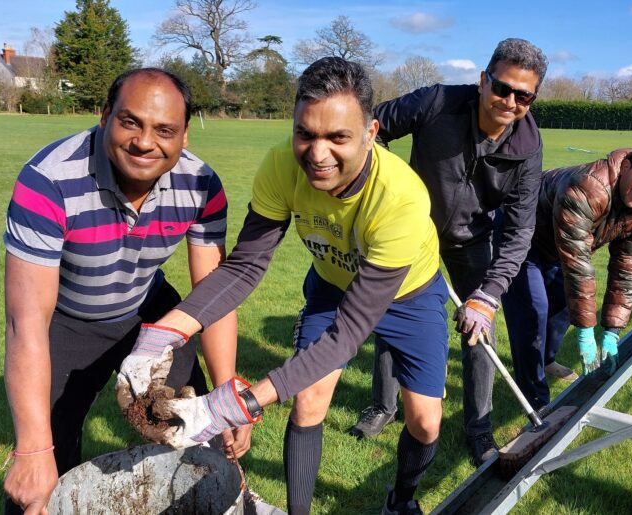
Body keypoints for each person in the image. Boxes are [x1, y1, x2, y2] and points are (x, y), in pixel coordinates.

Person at [116, 57, 449, 515]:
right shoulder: (279, 165)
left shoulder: (402, 198)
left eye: (338, 138)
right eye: (305, 134)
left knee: (425, 421)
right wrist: (161, 336)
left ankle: (403, 498)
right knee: (308, 400)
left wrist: (237, 405)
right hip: (332, 287)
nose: (317, 153)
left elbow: (348, 335)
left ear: (371, 133)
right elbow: (244, 267)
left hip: (409, 295)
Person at [2, 68, 243, 514]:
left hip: (150, 312)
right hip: (68, 320)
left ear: (185, 135)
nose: (145, 142)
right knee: (43, 460)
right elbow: (25, 320)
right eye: (130, 122)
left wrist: (227, 395)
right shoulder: (47, 180)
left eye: (165, 130)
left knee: (191, 427)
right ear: (104, 116)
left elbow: (213, 296)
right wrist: (33, 451)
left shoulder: (202, 185)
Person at [350, 38, 549, 465]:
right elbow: (369, 129)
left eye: (523, 95)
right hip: (408, 230)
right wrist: (385, 182)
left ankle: (479, 427)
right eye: (501, 87)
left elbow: (519, 230)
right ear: (483, 80)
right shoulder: (437, 101)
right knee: (392, 317)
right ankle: (384, 407)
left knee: (480, 328)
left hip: (470, 240)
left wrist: (489, 295)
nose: (509, 100)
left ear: (532, 99)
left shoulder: (528, 148)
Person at [500, 142, 632, 410]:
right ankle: (535, 402)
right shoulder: (588, 187)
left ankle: (547, 359)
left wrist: (612, 330)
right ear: (628, 163)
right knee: (533, 310)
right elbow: (577, 263)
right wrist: (586, 332)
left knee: (563, 304)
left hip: (557, 245)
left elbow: (627, 266)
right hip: (520, 237)